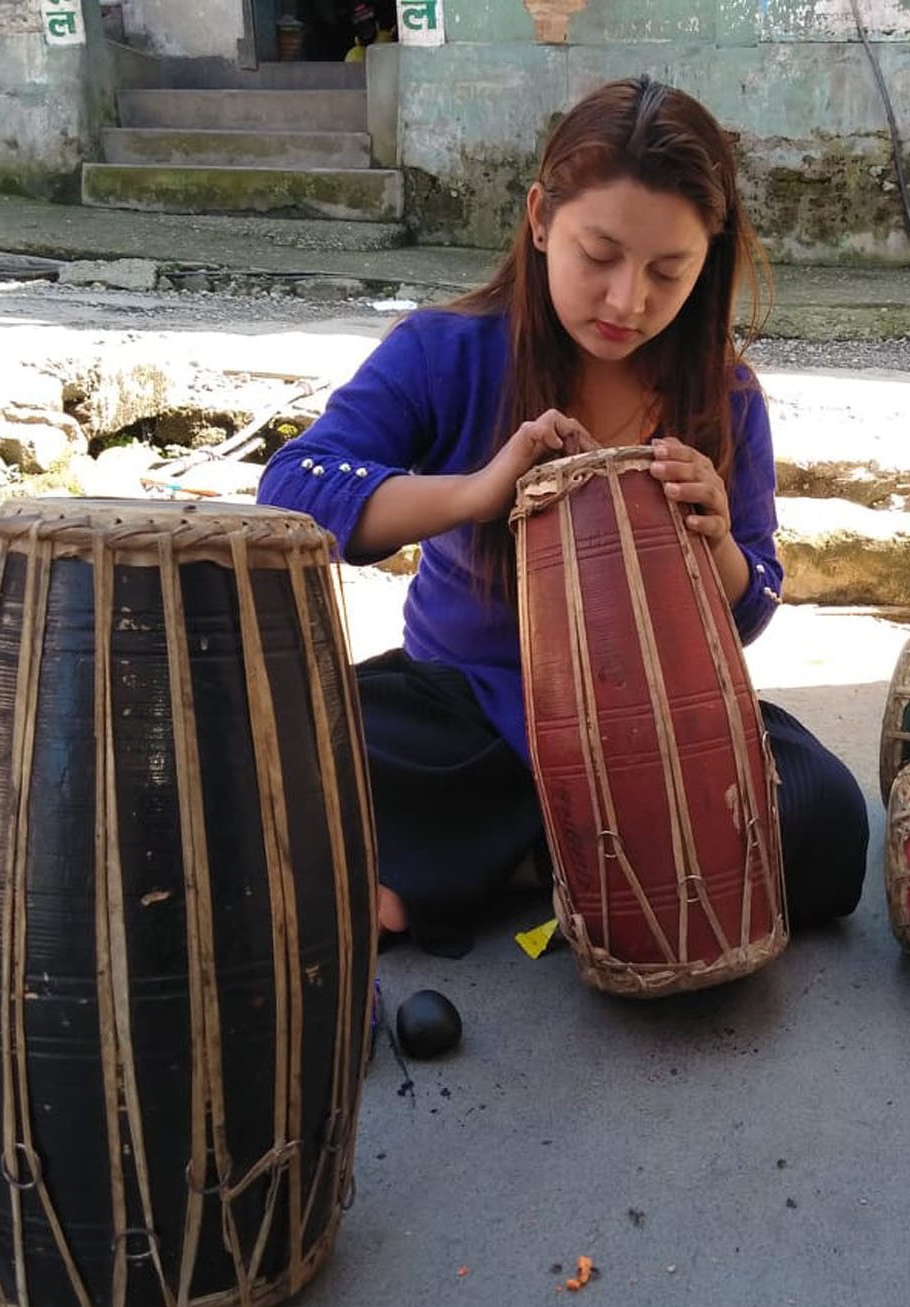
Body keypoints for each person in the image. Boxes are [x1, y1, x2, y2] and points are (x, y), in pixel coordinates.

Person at [258, 75, 869, 954]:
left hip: (655, 724)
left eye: (669, 271)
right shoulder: (447, 352)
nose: (628, 300)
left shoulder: (724, 397)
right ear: (542, 218)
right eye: (599, 254)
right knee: (290, 743)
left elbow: (755, 597)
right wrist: (476, 492)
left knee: (828, 818)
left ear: (711, 258)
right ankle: (569, 857)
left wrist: (718, 552)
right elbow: (294, 486)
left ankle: (500, 867)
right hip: (469, 713)